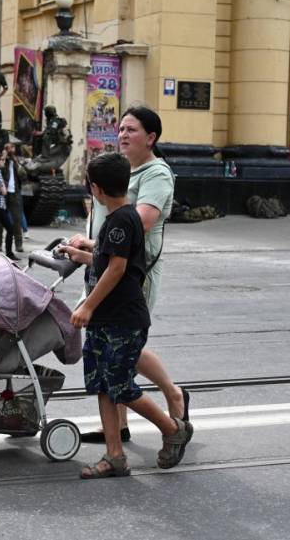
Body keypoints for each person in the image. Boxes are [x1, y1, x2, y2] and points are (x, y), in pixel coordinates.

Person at [59, 153, 193, 478]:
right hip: (106, 319)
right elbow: (108, 261)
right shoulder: (118, 218)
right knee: (104, 385)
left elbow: (117, 269)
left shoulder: (120, 221)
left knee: (120, 386)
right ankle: (114, 456)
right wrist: (80, 254)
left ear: (96, 188)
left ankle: (172, 428)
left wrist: (87, 305)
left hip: (123, 319)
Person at [79, 105, 188, 444]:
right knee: (119, 344)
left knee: (123, 341)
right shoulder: (118, 170)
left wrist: (95, 244)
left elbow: (140, 222)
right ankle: (118, 426)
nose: (123, 135)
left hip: (134, 271)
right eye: (121, 129)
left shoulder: (156, 173)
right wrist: (87, 245)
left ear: (151, 137)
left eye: (132, 130)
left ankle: (172, 394)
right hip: (103, 261)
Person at [0, 141, 26, 253]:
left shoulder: (17, 161)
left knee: (17, 220)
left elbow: (24, 176)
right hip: (3, 193)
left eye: (13, 147)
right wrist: (3, 157)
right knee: (0, 221)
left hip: (15, 193)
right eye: (9, 148)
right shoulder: (1, 160)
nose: (11, 150)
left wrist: (16, 163)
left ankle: (19, 245)